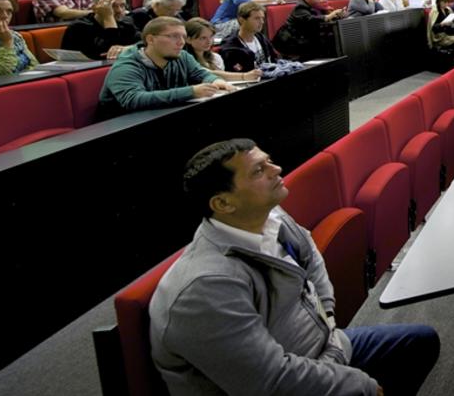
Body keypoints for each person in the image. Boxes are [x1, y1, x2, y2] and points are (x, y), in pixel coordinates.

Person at [149, 139, 439, 394]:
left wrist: (327, 319)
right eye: (259, 171)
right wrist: (356, 383)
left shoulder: (271, 215)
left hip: (325, 346)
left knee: (420, 343)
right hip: (285, 380)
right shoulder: (203, 289)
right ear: (223, 203)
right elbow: (271, 382)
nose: (277, 170)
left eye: (268, 161)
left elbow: (311, 259)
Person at [98, 16, 233, 118]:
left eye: (183, 37)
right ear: (150, 39)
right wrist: (190, 91)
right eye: (173, 36)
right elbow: (133, 99)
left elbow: (201, 74)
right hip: (123, 127)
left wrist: (216, 81)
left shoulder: (183, 56)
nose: (181, 42)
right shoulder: (126, 65)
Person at [60, 0, 139, 60]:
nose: (119, 10)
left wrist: (128, 48)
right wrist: (108, 18)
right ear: (95, 8)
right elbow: (106, 55)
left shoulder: (126, 24)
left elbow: (144, 44)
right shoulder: (79, 27)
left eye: (122, 6)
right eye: (113, 6)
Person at [273, 0, 343, 60]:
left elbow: (324, 19)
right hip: (291, 41)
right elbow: (311, 19)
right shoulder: (300, 7)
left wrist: (337, 16)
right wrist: (329, 16)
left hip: (307, 38)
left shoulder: (317, 6)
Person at [184, 17, 260, 82]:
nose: (209, 41)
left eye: (211, 37)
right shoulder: (183, 60)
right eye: (203, 38)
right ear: (188, 39)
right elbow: (205, 72)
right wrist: (244, 76)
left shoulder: (216, 58)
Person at [219, 1, 279, 73]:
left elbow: (274, 60)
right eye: (257, 18)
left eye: (262, 18)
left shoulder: (261, 38)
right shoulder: (230, 47)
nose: (262, 22)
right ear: (242, 20)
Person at [0, 0, 37, 75]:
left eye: (9, 12)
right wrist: (7, 43)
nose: (5, 16)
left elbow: (33, 64)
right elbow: (1, 77)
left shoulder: (15, 36)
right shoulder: (8, 38)